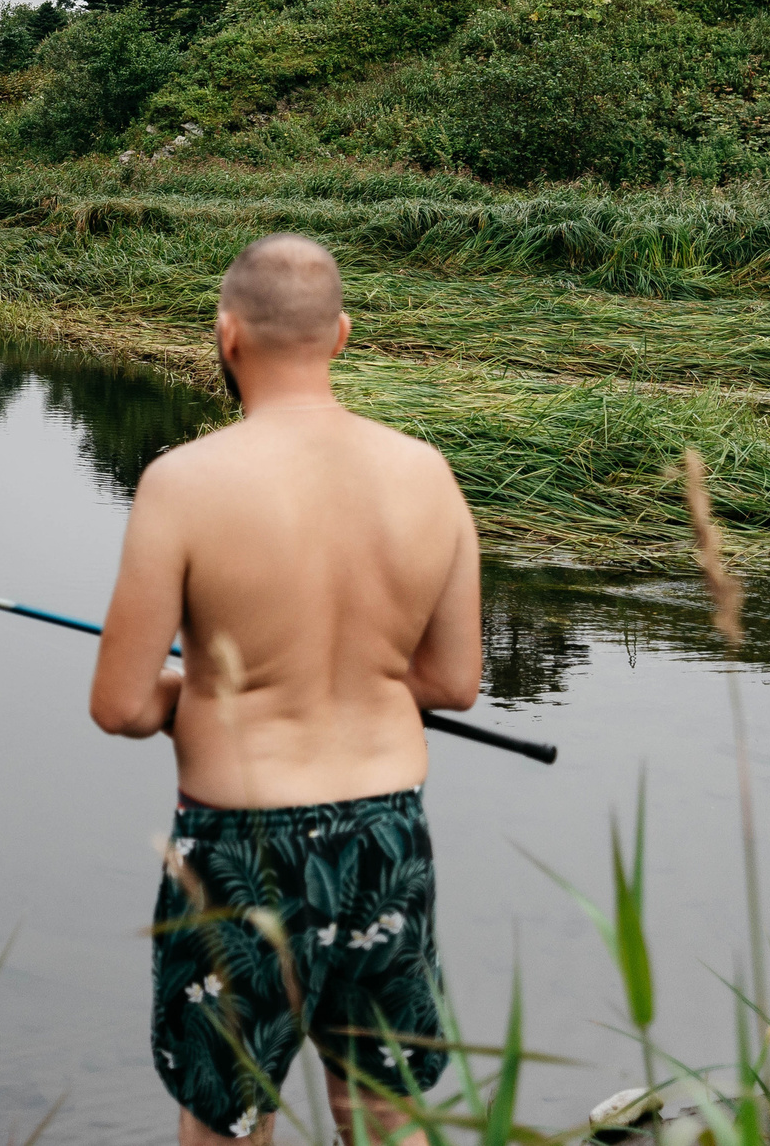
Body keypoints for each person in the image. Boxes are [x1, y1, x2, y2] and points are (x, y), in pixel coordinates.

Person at [88, 233, 482, 1145]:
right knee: (384, 1107)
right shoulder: (426, 473)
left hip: (240, 847)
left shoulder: (182, 483)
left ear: (227, 334)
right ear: (340, 334)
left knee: (229, 1115)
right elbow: (453, 681)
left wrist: (202, 692)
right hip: (386, 835)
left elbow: (121, 704)